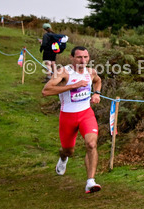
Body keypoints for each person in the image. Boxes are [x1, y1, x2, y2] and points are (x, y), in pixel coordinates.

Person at [42, 46, 103, 193]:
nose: (83, 60)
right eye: (79, 57)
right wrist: (73, 86)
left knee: (91, 144)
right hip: (68, 117)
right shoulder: (63, 72)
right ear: (71, 58)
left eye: (85, 57)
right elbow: (46, 91)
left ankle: (90, 182)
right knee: (68, 150)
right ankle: (63, 158)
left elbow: (98, 80)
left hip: (86, 114)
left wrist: (97, 94)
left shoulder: (90, 72)